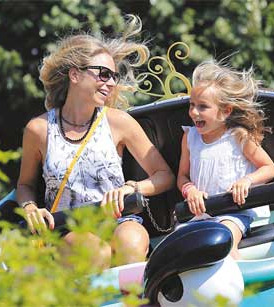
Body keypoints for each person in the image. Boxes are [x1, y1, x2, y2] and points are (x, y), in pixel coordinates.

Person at [16, 15, 174, 269]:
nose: (111, 83)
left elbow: (164, 175)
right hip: (67, 227)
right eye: (103, 74)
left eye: (113, 76)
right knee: (94, 253)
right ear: (75, 75)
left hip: (119, 220)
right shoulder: (39, 129)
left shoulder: (119, 122)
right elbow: (25, 185)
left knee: (132, 242)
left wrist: (132, 188)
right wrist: (30, 207)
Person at [177, 60, 274, 259]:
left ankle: (245, 287)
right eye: (192, 105)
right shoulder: (189, 137)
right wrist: (190, 190)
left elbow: (269, 168)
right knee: (180, 247)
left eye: (202, 107)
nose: (194, 112)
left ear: (226, 111)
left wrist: (246, 181)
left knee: (223, 242)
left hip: (235, 212)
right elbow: (182, 176)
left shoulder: (238, 137)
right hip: (201, 215)